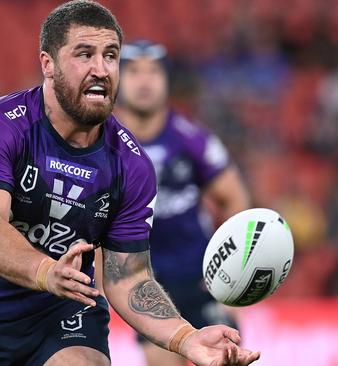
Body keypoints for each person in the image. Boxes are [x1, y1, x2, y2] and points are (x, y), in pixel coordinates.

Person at [0, 1, 259, 365]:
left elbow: (127, 278)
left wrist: (186, 338)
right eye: (84, 54)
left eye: (111, 56)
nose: (101, 69)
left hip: (60, 316)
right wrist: (46, 271)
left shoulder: (131, 165)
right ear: (47, 64)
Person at [115, 40, 252, 366]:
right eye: (133, 72)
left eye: (154, 72)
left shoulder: (192, 139)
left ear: (166, 81)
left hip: (201, 279)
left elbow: (235, 200)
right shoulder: (103, 144)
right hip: (145, 285)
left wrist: (230, 275)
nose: (144, 81)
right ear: (117, 80)